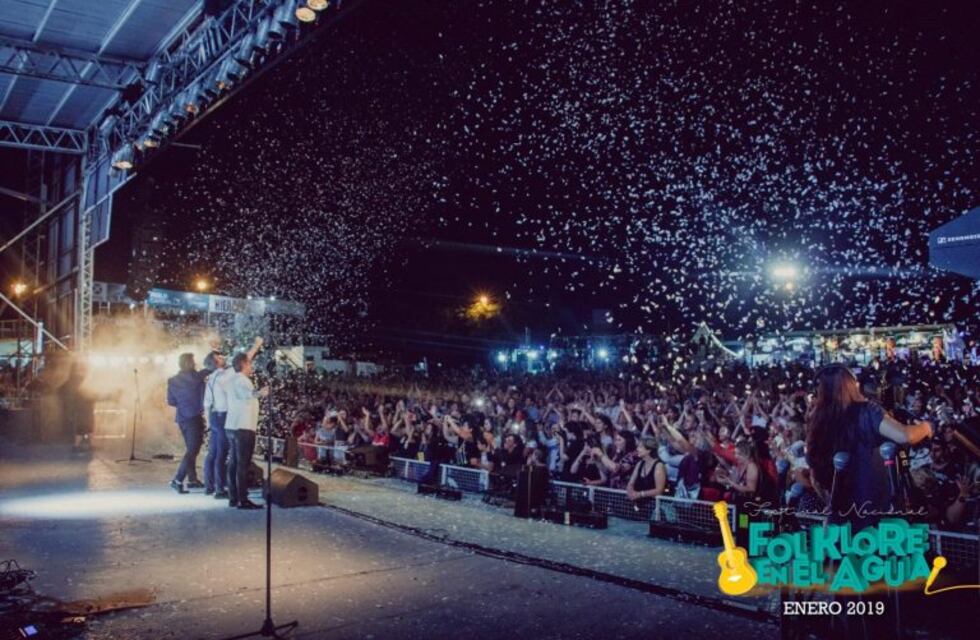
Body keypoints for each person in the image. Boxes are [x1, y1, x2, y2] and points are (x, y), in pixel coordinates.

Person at [805, 364, 933, 531]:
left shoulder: (817, 421)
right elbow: (904, 436)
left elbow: (814, 472)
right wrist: (926, 427)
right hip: (873, 514)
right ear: (853, 385)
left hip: (838, 518)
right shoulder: (866, 411)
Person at [202, 337, 263, 499]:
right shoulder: (228, 375)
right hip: (225, 418)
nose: (223, 357)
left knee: (213, 453)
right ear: (216, 363)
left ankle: (210, 486)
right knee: (224, 455)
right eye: (219, 358)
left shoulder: (212, 379)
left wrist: (208, 422)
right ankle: (222, 490)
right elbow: (242, 362)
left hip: (215, 416)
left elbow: (207, 403)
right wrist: (256, 346)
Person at [225, 352, 269, 509]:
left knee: (233, 463)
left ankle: (233, 497)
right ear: (243, 364)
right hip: (243, 426)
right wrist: (262, 392)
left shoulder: (231, 380)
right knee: (243, 464)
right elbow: (249, 395)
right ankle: (243, 499)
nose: (252, 367)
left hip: (231, 425)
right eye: (250, 364)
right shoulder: (242, 380)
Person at [166, 353, 214, 493]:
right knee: (193, 450)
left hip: (182, 418)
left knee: (190, 449)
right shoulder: (196, 377)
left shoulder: (173, 380)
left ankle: (192, 479)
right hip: (194, 418)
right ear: (189, 363)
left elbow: (171, 401)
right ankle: (177, 480)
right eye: (193, 361)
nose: (195, 364)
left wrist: (183, 403)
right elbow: (210, 369)